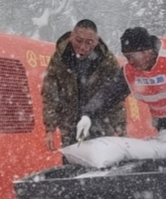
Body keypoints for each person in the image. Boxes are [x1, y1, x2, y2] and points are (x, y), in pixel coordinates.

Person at [76, 26, 166, 176]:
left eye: (132, 56)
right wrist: (88, 115)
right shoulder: (130, 70)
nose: (129, 62)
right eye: (126, 57)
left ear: (147, 52)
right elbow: (109, 93)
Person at [41, 19, 126, 149]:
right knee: (72, 163)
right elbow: (50, 94)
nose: (83, 47)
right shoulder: (60, 58)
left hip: (100, 125)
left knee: (101, 163)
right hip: (70, 126)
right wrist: (50, 129)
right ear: (71, 37)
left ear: (96, 41)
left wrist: (120, 129)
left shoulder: (106, 61)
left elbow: (115, 97)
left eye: (89, 42)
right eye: (79, 41)